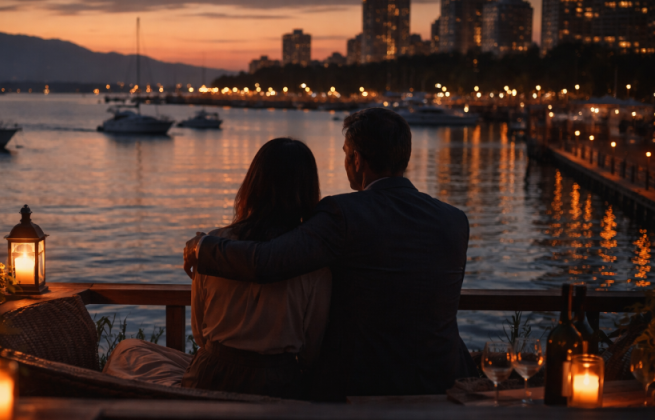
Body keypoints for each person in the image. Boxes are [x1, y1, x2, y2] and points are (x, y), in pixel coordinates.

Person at [184, 108, 478, 401]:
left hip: (364, 386)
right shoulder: (454, 220)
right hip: (443, 379)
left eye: (346, 154)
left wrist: (202, 247)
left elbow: (267, 261)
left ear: (357, 160)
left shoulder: (343, 214)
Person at [104, 138, 331, 400]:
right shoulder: (313, 262)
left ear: (253, 184)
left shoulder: (211, 247)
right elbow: (311, 348)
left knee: (127, 352)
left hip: (211, 377)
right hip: (277, 384)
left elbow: (201, 333)